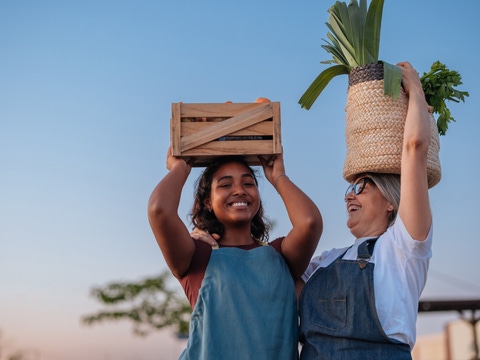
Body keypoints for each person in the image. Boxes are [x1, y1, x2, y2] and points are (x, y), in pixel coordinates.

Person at [297, 61, 433, 359]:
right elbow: (273, 272)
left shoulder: (403, 249)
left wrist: (416, 91)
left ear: (390, 201)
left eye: (362, 186)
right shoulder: (325, 261)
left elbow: (414, 148)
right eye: (349, 189)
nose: (349, 196)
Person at [147, 148, 323, 360]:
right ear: (208, 202)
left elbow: (309, 223)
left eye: (248, 183)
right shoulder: (197, 255)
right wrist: (181, 167)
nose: (239, 190)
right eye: (225, 184)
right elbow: (159, 210)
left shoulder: (280, 255)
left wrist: (278, 177)